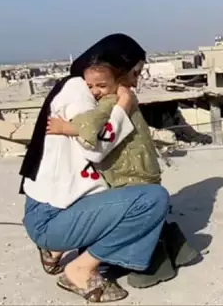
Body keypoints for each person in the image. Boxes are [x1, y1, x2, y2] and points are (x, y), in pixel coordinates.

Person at [19, 34, 170, 303]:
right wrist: (123, 107)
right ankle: (80, 270)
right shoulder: (78, 91)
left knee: (131, 197)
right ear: (119, 68)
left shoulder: (83, 87)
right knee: (152, 200)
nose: (135, 82)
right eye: (135, 73)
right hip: (51, 218)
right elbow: (95, 148)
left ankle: (55, 250)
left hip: (56, 210)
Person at [45, 37, 200, 288]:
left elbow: (95, 129)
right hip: (136, 172)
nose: (136, 81)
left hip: (128, 174)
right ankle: (174, 250)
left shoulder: (114, 99)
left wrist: (66, 127)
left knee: (135, 217)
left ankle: (152, 264)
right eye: (135, 73)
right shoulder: (112, 97)